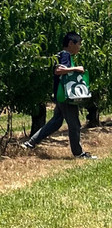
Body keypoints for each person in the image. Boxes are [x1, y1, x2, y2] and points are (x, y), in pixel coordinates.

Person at [21, 31, 97, 159]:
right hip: (67, 96)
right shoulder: (65, 55)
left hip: (60, 95)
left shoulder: (64, 55)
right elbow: (58, 70)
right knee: (75, 125)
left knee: (56, 122)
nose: (80, 47)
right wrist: (76, 69)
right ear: (71, 43)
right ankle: (78, 153)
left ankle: (30, 143)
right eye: (79, 44)